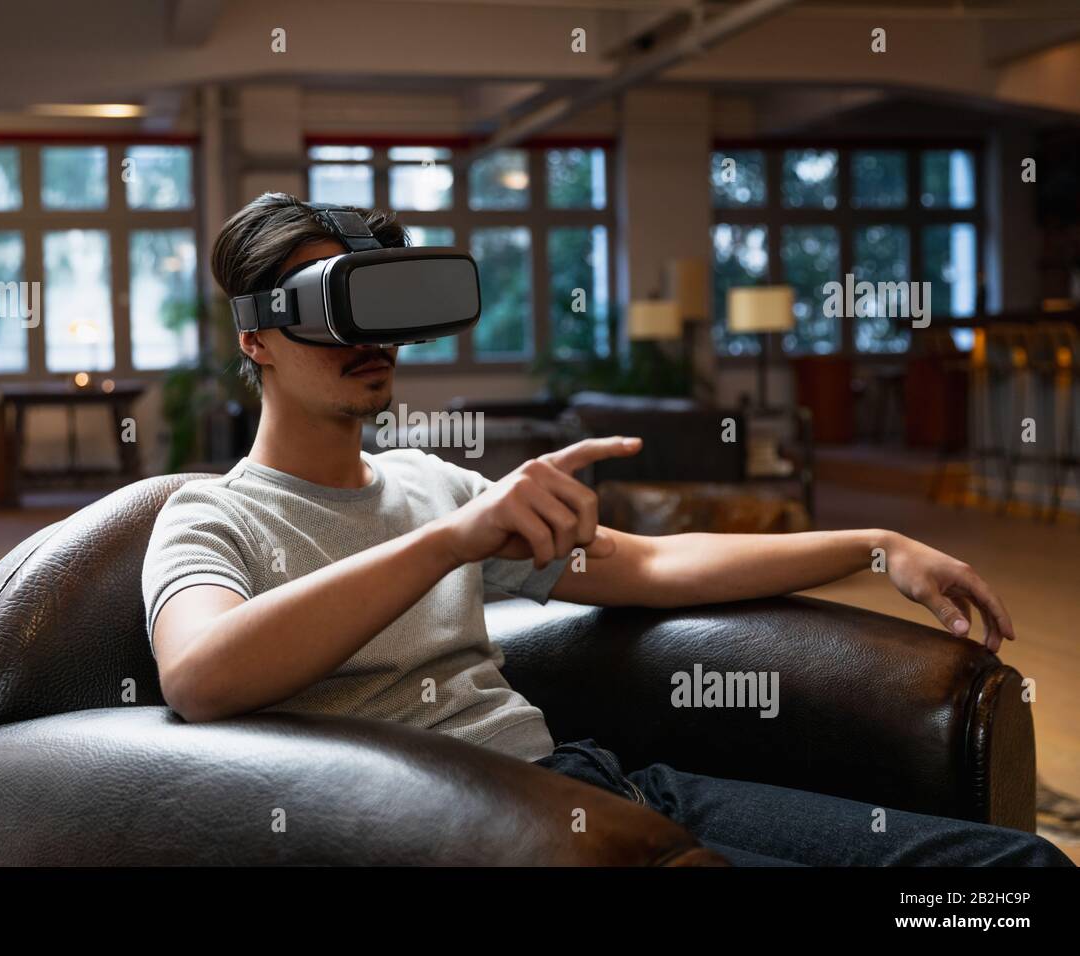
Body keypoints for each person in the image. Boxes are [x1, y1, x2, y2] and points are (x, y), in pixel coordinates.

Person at [142, 192, 1071, 866]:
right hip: (472, 833)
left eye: (380, 302)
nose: (370, 336)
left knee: (1008, 882)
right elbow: (202, 673)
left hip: (594, 784)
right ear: (255, 336)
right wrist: (453, 543)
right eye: (328, 303)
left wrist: (876, 546)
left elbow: (658, 565)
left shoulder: (436, 484)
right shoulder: (210, 515)